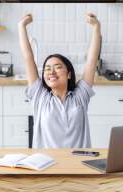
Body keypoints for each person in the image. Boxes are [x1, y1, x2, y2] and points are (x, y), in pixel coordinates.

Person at [18, 13, 101, 149]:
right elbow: (28, 57)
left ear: (68, 74)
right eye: (47, 69)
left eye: (57, 67)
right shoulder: (40, 96)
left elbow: (92, 60)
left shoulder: (80, 96)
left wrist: (96, 27)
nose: (51, 72)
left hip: (78, 164)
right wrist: (22, 26)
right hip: (46, 165)